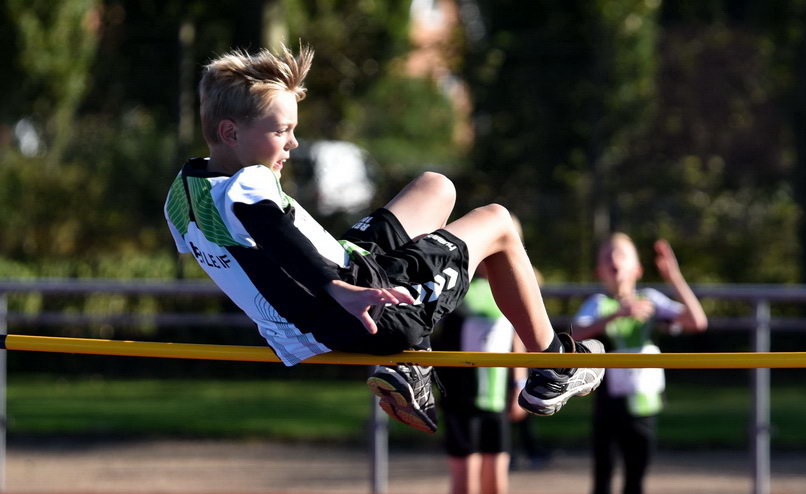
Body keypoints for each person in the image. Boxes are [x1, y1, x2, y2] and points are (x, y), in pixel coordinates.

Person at [163, 45, 605, 440]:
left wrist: (319, 294)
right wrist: (336, 287)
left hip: (336, 289)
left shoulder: (182, 197)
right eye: (281, 131)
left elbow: (248, 262)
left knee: (436, 187)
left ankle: (414, 361)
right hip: (370, 305)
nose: (293, 143)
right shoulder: (249, 184)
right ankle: (554, 366)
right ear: (230, 133)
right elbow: (272, 232)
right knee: (498, 223)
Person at [572, 233, 707, 494]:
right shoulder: (597, 303)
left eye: (622, 255)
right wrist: (617, 314)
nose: (614, 261)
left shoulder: (651, 300)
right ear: (600, 270)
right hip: (608, 408)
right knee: (602, 493)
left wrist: (673, 276)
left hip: (643, 409)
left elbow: (696, 321)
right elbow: (575, 333)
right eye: (607, 256)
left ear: (636, 267)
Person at [431, 271, 524, 494]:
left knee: (496, 488)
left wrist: (519, 382)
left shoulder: (512, 283)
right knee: (465, 489)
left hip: (496, 400)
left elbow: (517, 331)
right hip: (462, 400)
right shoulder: (459, 284)